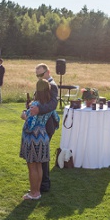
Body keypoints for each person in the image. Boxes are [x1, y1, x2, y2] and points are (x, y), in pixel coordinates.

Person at [21, 79, 57, 200]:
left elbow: (29, 123)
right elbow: (56, 118)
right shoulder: (49, 105)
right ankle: (37, 191)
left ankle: (33, 192)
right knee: (39, 165)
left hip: (32, 137)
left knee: (32, 166)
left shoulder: (36, 104)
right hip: (43, 135)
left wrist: (24, 115)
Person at [30, 64, 60, 193]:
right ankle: (40, 184)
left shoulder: (52, 85)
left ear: (48, 72)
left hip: (47, 125)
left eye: (41, 75)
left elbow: (53, 104)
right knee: (41, 156)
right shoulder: (43, 84)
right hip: (42, 124)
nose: (39, 77)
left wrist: (38, 109)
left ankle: (44, 184)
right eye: (37, 75)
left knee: (43, 156)